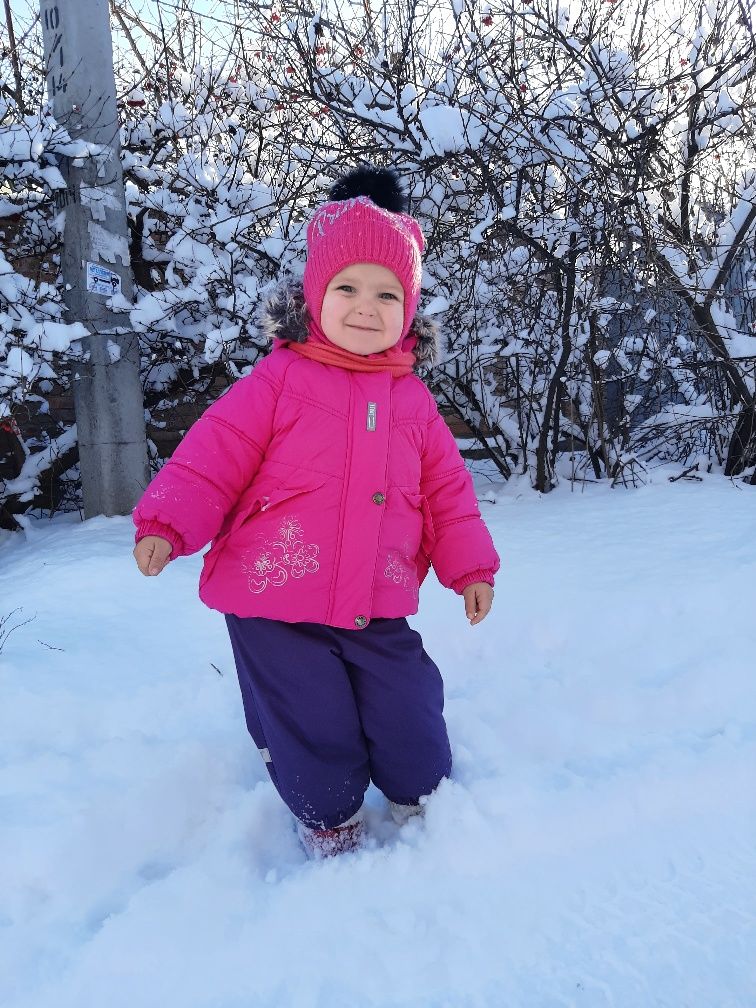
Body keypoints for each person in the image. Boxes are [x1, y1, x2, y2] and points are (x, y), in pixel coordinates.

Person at [132, 165, 500, 858]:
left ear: (410, 308)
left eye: (388, 293)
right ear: (315, 294)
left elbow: (450, 493)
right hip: (275, 598)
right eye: (348, 288)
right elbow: (215, 454)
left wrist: (470, 567)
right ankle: (329, 820)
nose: (367, 307)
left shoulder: (413, 402)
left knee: (410, 714)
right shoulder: (278, 382)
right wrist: (168, 523)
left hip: (376, 599)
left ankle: (423, 803)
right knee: (311, 721)